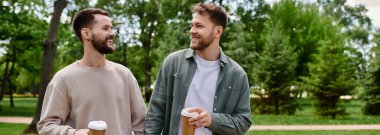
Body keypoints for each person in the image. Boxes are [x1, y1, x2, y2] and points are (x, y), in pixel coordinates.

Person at [144, 2, 251, 135]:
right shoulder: (173, 62)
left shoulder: (237, 74)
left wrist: (212, 120)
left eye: (199, 26)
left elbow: (243, 121)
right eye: (192, 25)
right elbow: (155, 113)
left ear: (218, 31)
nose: (192, 30)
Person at [37, 8, 147, 135]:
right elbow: (46, 126)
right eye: (105, 28)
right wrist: (74, 133)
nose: (112, 33)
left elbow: (142, 125)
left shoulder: (125, 75)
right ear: (86, 34)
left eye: (111, 28)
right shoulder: (63, 78)